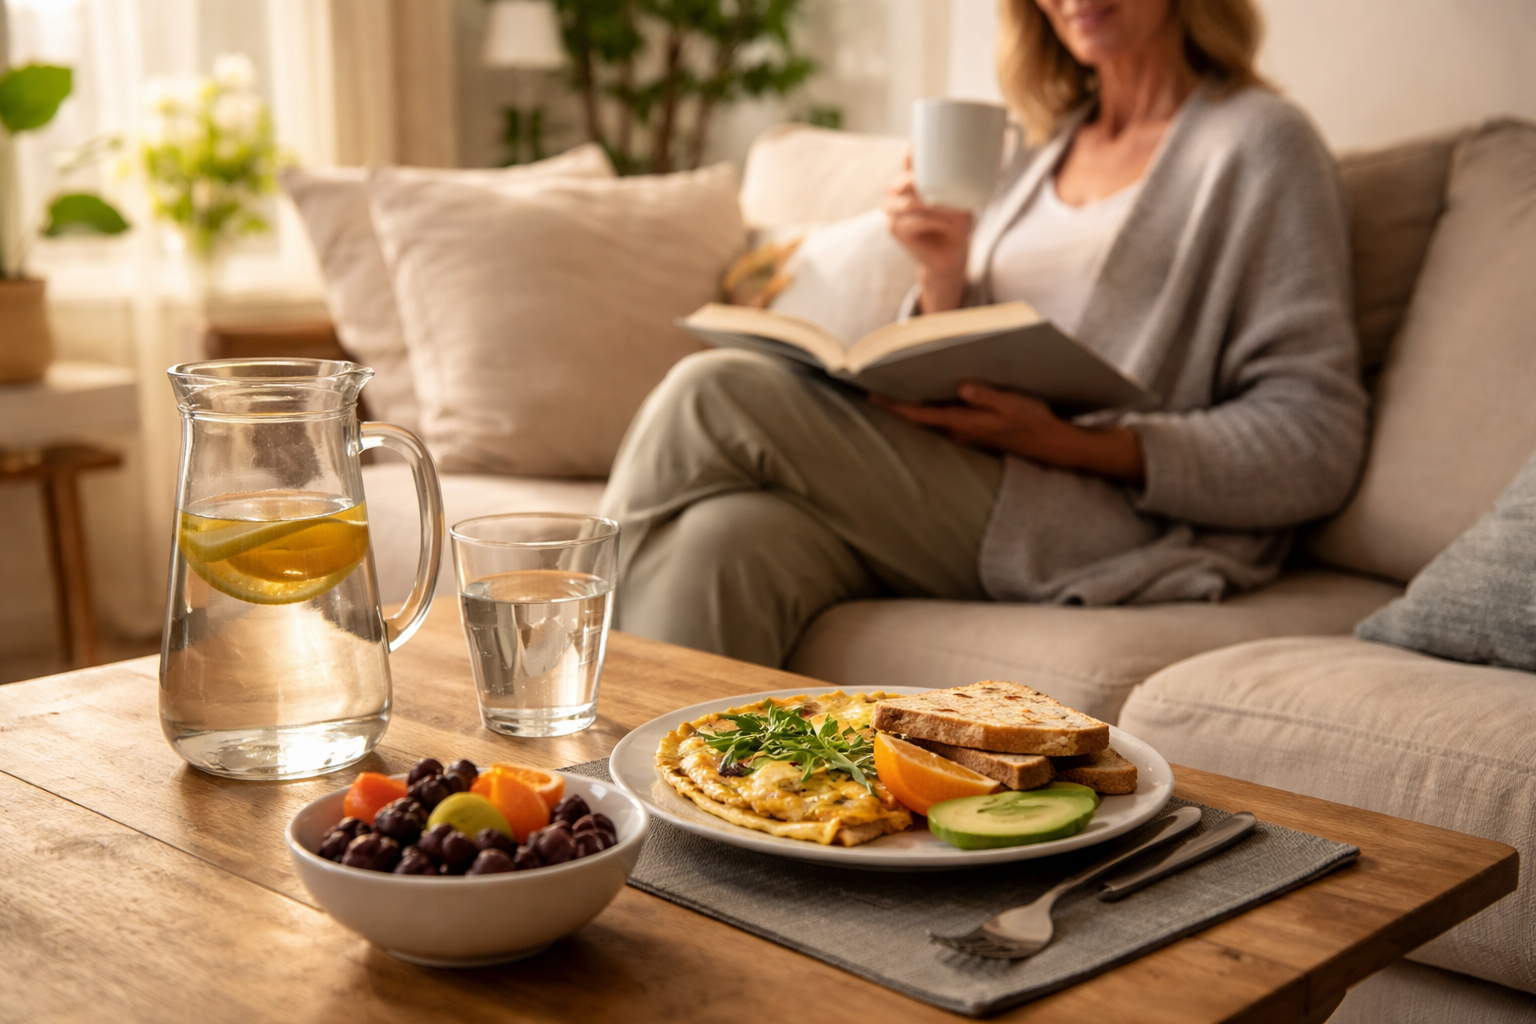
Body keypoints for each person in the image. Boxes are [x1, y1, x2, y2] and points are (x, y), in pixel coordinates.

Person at [597, 0, 1368, 667]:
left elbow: (1317, 441)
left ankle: (555, 702)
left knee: (714, 390)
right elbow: (986, 354)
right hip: (968, 472)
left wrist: (1076, 444)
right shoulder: (1044, 147)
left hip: (1098, 515)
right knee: (723, 541)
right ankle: (663, 827)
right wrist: (942, 275)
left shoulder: (1262, 145)